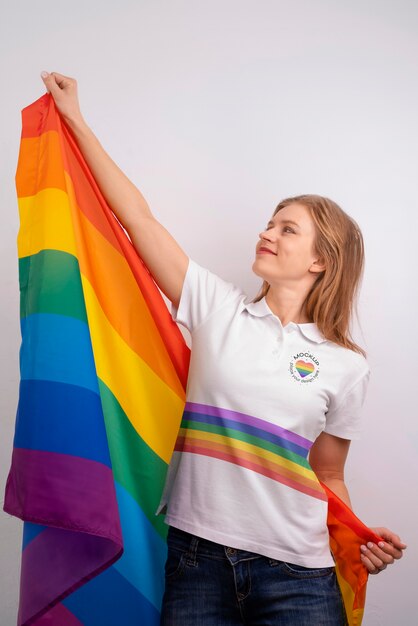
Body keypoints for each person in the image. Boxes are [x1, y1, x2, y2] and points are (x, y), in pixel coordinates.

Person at [40, 71, 407, 626]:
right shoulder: (217, 308)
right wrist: (76, 121)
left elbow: (328, 475)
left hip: (299, 575)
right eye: (269, 223)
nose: (268, 233)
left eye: (288, 229)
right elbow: (138, 219)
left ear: (321, 261)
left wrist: (353, 536)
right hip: (197, 563)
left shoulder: (347, 365)